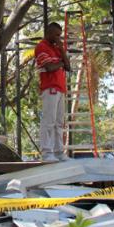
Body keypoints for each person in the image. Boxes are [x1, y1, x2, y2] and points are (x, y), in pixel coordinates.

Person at [34, 22, 71, 162]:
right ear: (48, 33)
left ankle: (59, 152)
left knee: (59, 123)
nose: (58, 38)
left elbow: (68, 67)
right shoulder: (41, 47)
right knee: (48, 121)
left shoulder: (56, 49)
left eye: (59, 35)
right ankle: (46, 152)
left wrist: (61, 50)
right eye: (56, 35)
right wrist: (61, 63)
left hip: (60, 89)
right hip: (50, 88)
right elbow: (50, 67)